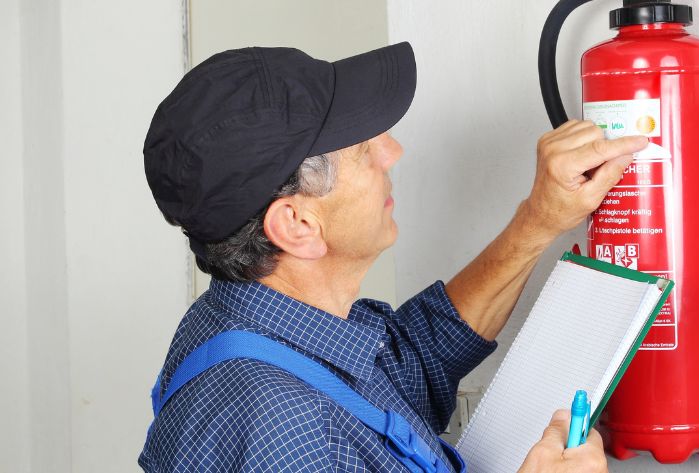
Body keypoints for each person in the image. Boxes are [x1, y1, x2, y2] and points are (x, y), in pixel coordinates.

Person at [140, 42, 647, 472]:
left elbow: (411, 367)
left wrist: (539, 219)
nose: (392, 152)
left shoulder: (252, 325)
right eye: (362, 149)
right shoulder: (289, 433)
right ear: (297, 225)